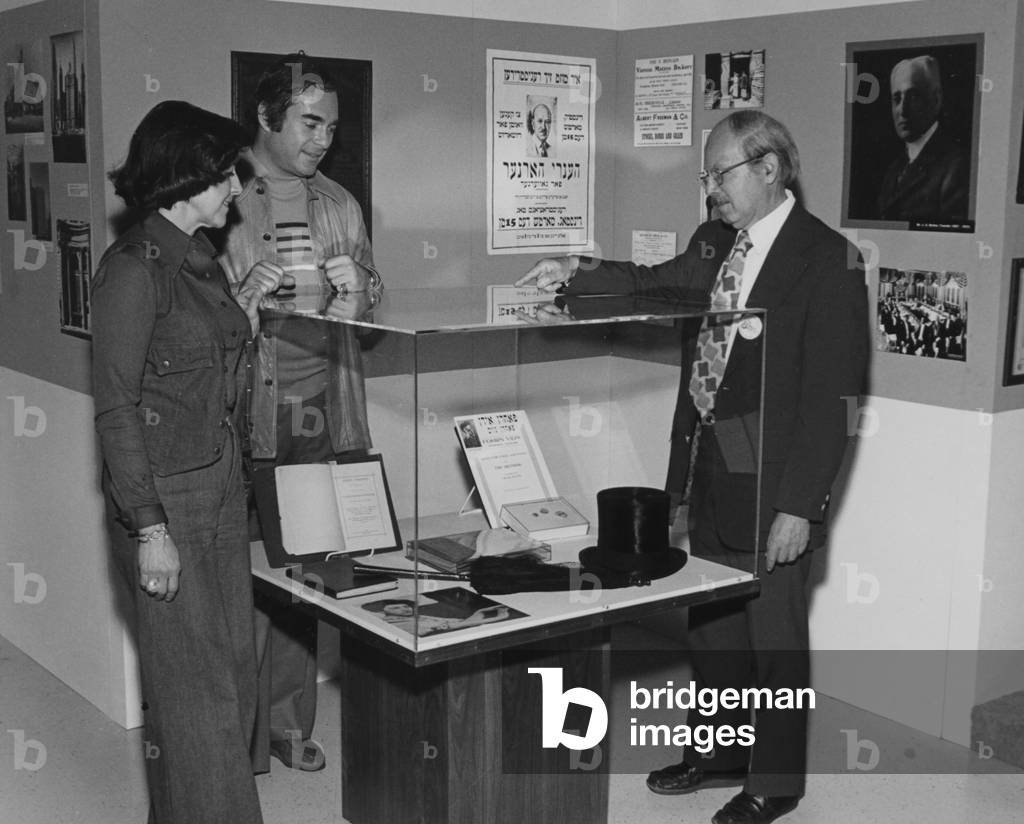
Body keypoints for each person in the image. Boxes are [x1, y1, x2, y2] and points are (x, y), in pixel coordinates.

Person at [518, 111, 868, 824]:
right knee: (712, 626)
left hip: (775, 482)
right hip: (710, 465)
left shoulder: (827, 260)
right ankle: (718, 752)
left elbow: (833, 399)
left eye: (721, 174)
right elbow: (653, 285)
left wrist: (800, 505)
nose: (710, 191)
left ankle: (776, 781)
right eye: (705, 176)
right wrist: (574, 272)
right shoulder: (715, 242)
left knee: (773, 641)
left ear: (769, 169)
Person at [91, 101, 262, 824]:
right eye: (223, 175)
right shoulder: (133, 271)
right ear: (181, 180)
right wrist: (150, 527)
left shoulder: (202, 260)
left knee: (228, 681)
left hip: (221, 488)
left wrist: (246, 307)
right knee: (202, 698)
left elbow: (201, 366)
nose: (235, 189)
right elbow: (116, 409)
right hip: (168, 503)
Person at [219, 54, 380, 775]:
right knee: (233, 579)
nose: (323, 139)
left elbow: (369, 329)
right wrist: (241, 301)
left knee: (305, 577)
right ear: (266, 117)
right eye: (309, 122)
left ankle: (288, 723)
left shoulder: (340, 205)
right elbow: (192, 331)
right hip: (239, 417)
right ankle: (238, 733)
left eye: (332, 127)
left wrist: (360, 298)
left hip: (320, 410)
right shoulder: (217, 197)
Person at [876, 55, 969, 222]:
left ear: (936, 99)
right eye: (897, 99)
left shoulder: (957, 166)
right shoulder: (893, 170)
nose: (902, 110)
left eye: (912, 96)